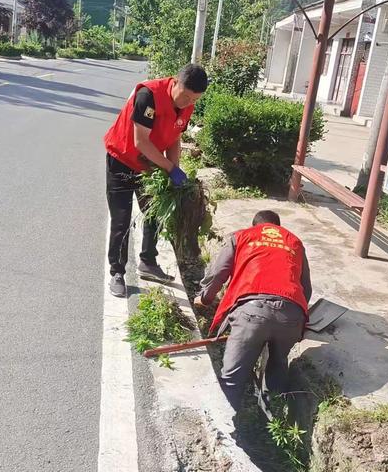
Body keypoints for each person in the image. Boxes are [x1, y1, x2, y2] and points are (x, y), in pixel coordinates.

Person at [104, 64, 208, 297]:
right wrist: (170, 168)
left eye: (195, 100)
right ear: (175, 83)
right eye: (186, 96)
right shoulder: (148, 95)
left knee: (155, 214)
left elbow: (174, 138)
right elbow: (141, 141)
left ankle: (148, 262)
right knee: (121, 220)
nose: (188, 103)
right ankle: (117, 272)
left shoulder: (187, 106)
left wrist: (175, 171)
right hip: (121, 160)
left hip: (149, 166)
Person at [194, 210, 312, 411]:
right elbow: (305, 289)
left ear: (254, 225)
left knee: (231, 378)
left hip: (252, 311)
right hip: (291, 315)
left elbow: (218, 273)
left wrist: (204, 298)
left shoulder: (242, 236)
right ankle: (271, 425)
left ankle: (228, 432)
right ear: (278, 226)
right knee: (277, 368)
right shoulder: (294, 242)